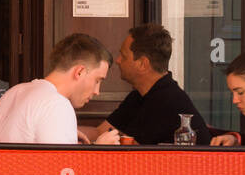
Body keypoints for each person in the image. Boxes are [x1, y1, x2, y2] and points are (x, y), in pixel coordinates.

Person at [80, 24, 211, 146]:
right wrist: (63, 128)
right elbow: (100, 132)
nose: (118, 61)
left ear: (143, 64)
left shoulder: (167, 101)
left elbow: (132, 152)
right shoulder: (140, 94)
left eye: (124, 56)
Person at [0, 33, 116, 144]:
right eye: (97, 80)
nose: (97, 91)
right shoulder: (57, 105)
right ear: (80, 72)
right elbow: (64, 170)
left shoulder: (14, 91)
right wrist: (98, 152)